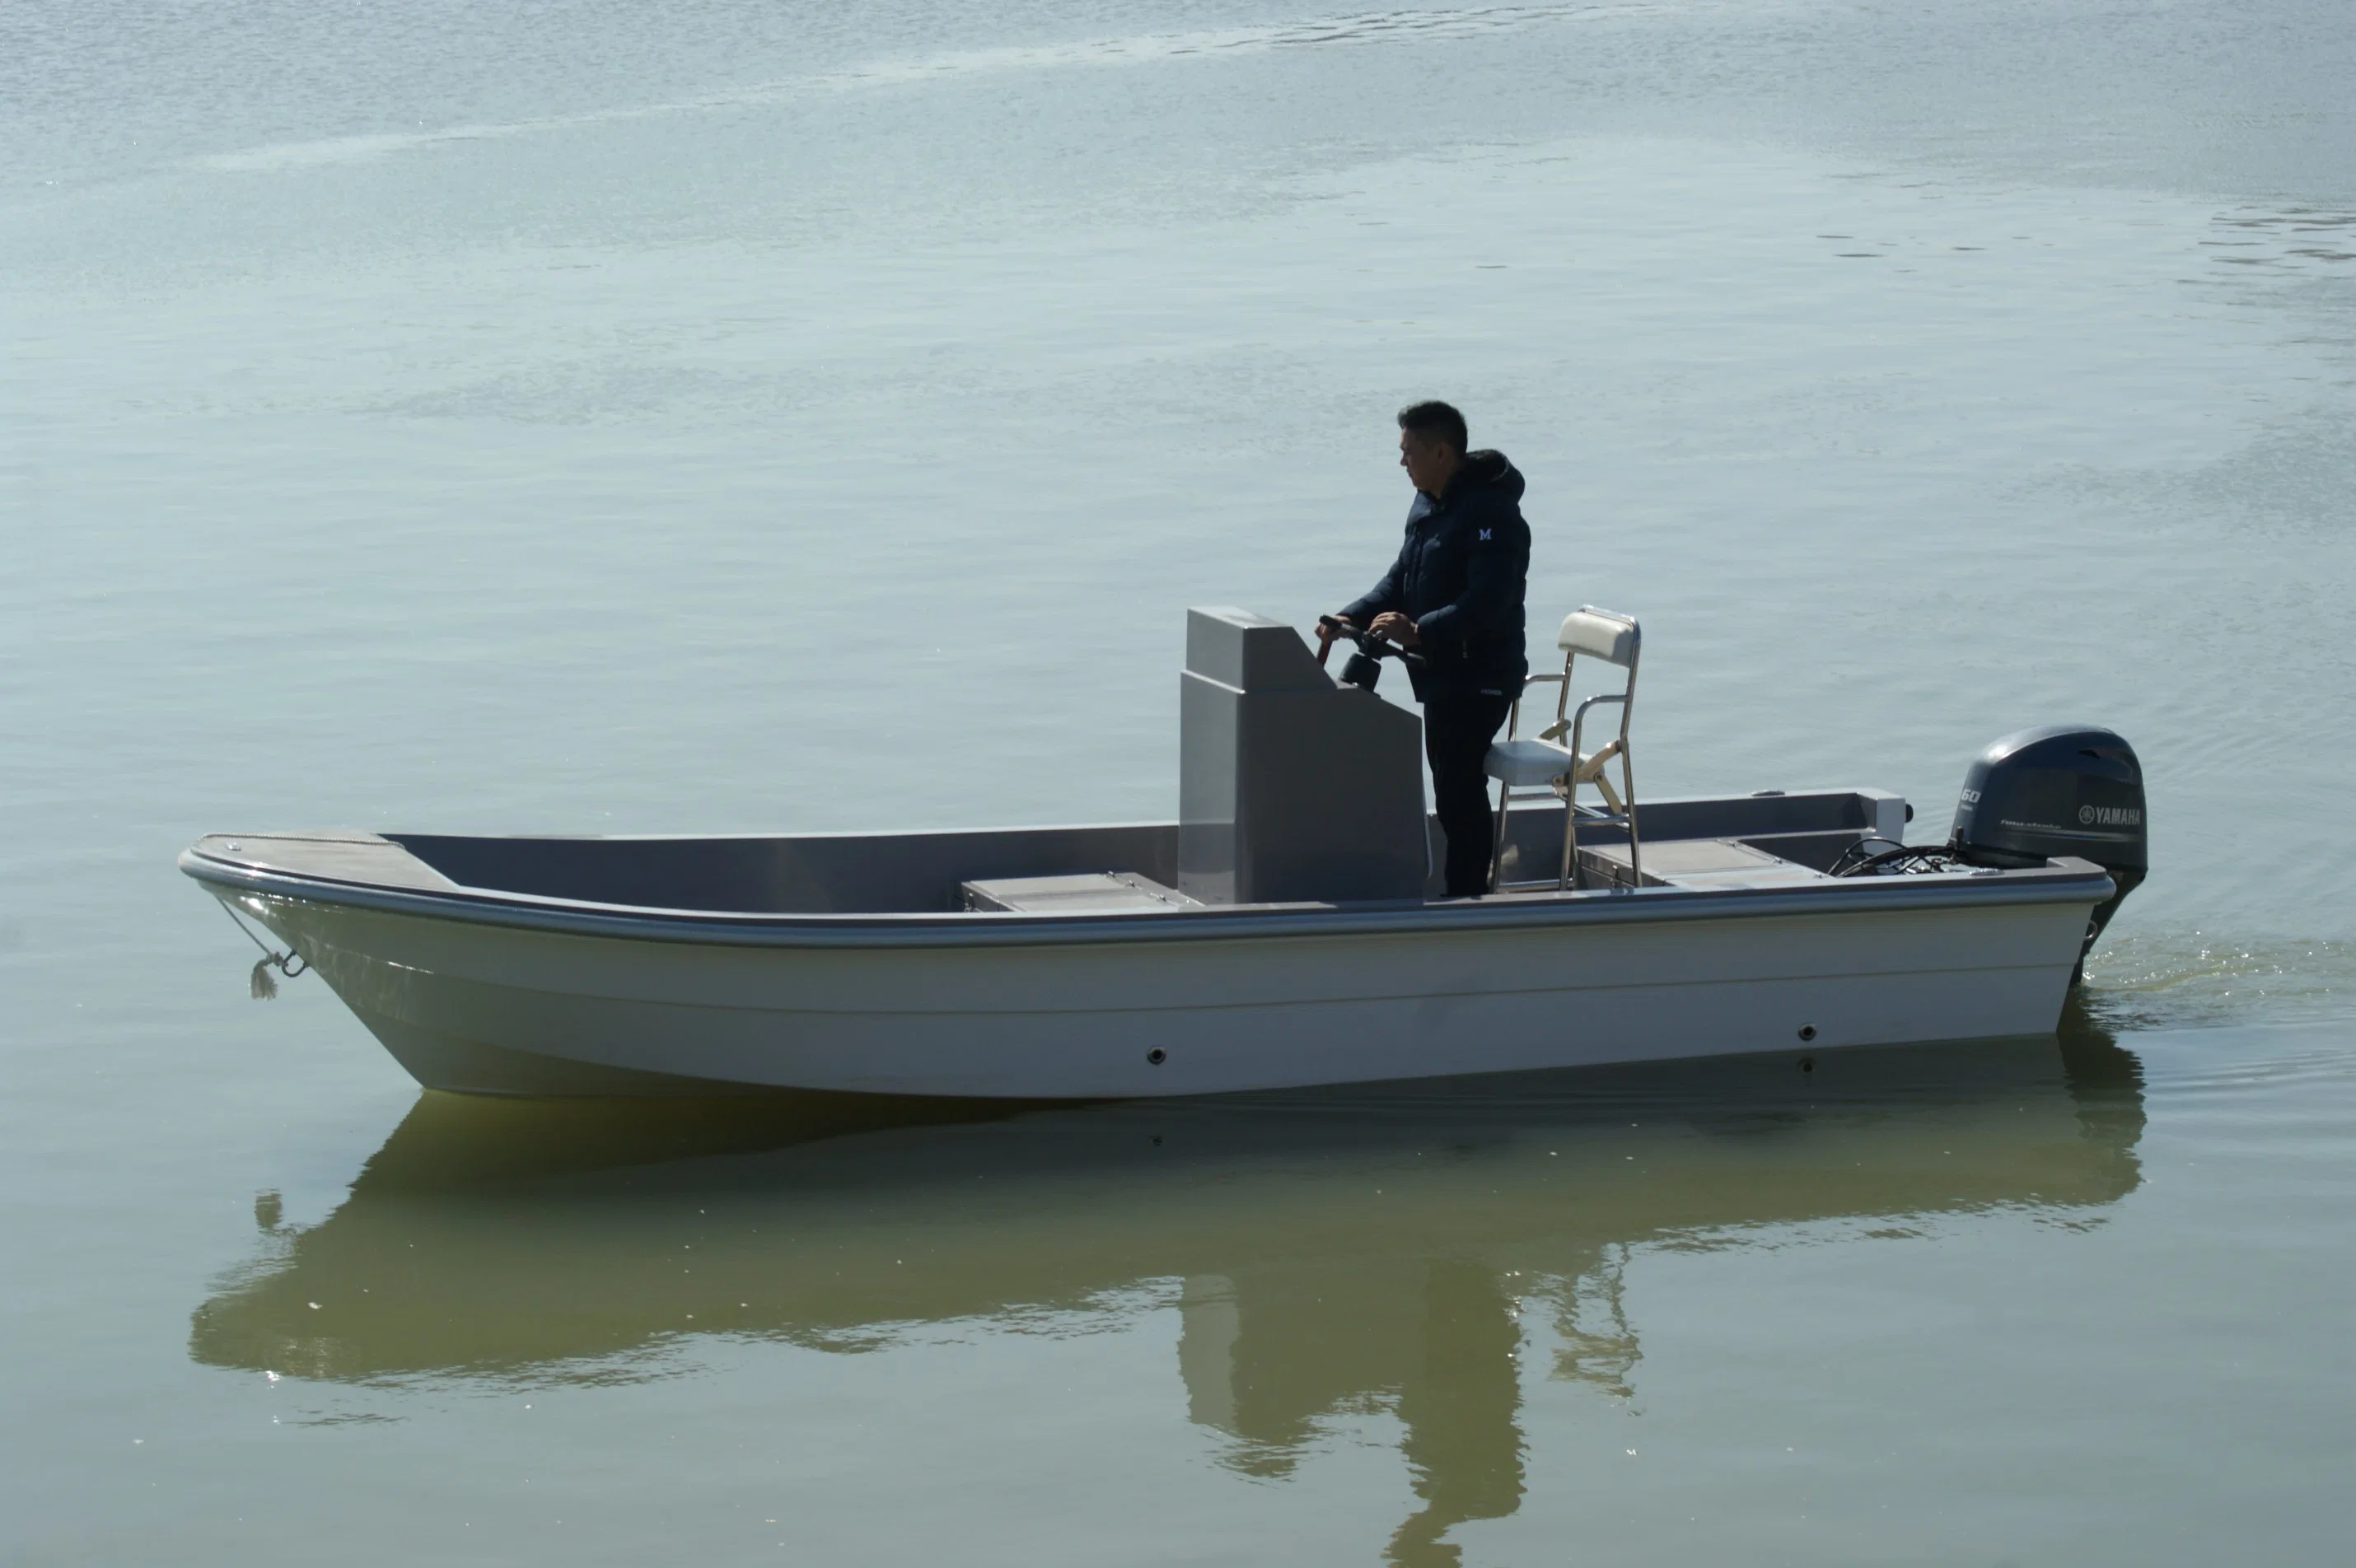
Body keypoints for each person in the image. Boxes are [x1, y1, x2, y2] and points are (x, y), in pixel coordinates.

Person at [1319, 401, 1530, 898]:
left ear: (1440, 452)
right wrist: (1351, 616)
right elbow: (1401, 579)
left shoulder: (1492, 513)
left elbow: (1489, 603)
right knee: (1449, 784)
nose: (1402, 462)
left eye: (1408, 451)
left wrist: (1419, 631)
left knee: (1458, 789)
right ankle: (1465, 893)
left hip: (1481, 675)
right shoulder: (1428, 504)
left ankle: (1466, 899)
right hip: (1440, 673)